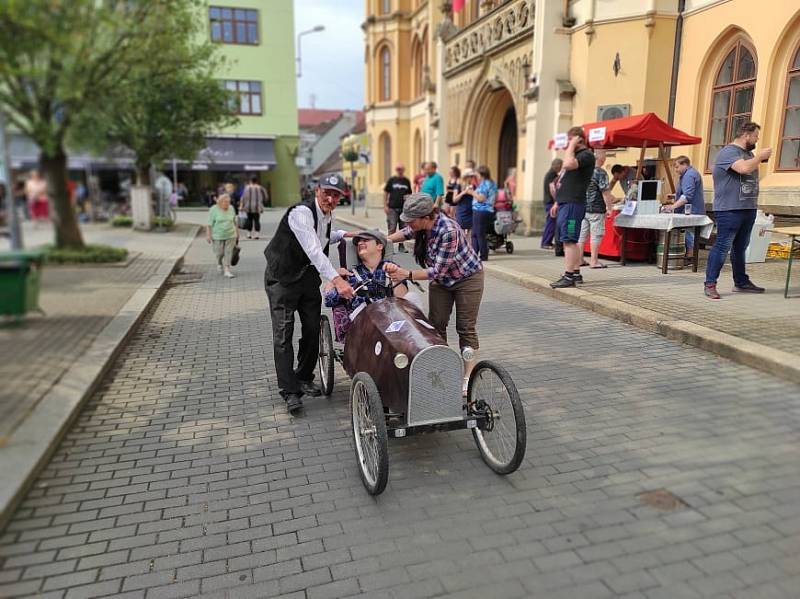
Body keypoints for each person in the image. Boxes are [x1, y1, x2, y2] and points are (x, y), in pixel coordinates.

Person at [264, 174, 355, 414]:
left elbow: (324, 235)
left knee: (313, 327)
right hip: (282, 278)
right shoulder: (301, 213)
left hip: (306, 278)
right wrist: (336, 279)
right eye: (327, 192)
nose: (330, 198)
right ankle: (290, 392)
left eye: (336, 195)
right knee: (283, 334)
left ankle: (304, 376)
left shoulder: (326, 215)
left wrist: (345, 235)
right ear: (317, 190)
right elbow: (314, 249)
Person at [385, 193, 484, 393]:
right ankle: (444, 368)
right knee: (436, 325)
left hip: (467, 279)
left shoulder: (448, 230)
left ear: (425, 217)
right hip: (442, 281)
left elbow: (436, 271)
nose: (409, 224)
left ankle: (467, 377)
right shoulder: (420, 227)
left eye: (411, 220)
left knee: (465, 328)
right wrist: (383, 240)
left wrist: (408, 274)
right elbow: (405, 233)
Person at [703, 122, 771, 300]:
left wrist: (756, 158)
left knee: (740, 247)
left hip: (747, 208)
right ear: (746, 135)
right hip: (730, 209)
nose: (757, 139)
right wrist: (760, 157)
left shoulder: (748, 154)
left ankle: (741, 282)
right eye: (755, 135)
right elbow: (744, 168)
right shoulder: (729, 152)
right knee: (722, 246)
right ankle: (710, 283)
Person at [324, 230, 408, 340]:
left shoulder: (392, 269)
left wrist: (396, 278)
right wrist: (334, 279)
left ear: (379, 246)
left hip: (390, 321)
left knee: (411, 302)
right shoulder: (349, 274)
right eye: (358, 241)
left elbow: (403, 303)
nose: (359, 243)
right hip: (360, 325)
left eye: (365, 240)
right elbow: (329, 300)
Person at [550, 126, 595, 288]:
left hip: (573, 204)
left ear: (579, 139)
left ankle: (569, 276)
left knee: (569, 240)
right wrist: (557, 202)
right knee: (569, 240)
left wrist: (570, 146)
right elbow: (564, 180)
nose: (567, 143)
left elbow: (568, 164)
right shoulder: (576, 155)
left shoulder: (586, 155)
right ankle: (575, 273)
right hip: (566, 203)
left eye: (570, 139)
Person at [578, 150, 616, 269]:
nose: (605, 157)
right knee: (596, 235)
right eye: (604, 155)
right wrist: (609, 208)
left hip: (583, 208)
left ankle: (579, 260)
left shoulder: (583, 171)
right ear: (599, 157)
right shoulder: (600, 172)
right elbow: (605, 192)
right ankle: (594, 261)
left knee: (581, 235)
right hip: (596, 209)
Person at [663, 155, 705, 260]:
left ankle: (690, 256)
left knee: (688, 232)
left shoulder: (689, 175)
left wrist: (672, 207)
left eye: (677, 167)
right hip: (691, 209)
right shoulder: (688, 174)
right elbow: (686, 192)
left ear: (685, 164)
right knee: (687, 232)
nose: (676, 170)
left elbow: (687, 196)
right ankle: (689, 255)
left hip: (691, 211)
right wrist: (674, 195)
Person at [206, 193, 239, 279]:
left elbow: (235, 221)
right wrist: (208, 235)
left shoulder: (231, 208)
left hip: (231, 235)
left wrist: (237, 233)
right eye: (225, 202)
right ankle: (219, 262)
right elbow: (209, 224)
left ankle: (227, 270)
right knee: (219, 253)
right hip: (217, 236)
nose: (227, 204)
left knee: (228, 252)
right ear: (220, 202)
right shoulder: (213, 210)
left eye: (228, 202)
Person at [383, 163, 412, 253]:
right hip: (392, 208)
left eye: (401, 169)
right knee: (392, 228)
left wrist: (408, 199)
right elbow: (386, 192)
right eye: (398, 169)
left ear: (403, 170)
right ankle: (389, 248)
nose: (400, 170)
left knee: (403, 228)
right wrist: (385, 205)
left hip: (403, 209)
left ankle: (401, 246)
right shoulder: (392, 180)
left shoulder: (406, 181)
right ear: (396, 170)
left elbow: (409, 193)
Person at [471, 165, 497, 261]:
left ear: (481, 174)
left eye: (477, 173)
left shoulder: (485, 184)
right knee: (475, 233)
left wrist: (471, 192)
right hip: (486, 210)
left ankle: (483, 256)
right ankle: (474, 254)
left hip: (481, 210)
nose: (476, 175)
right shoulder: (491, 183)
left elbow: (481, 198)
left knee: (479, 234)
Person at [541, 158, 562, 248]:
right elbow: (552, 190)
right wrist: (556, 201)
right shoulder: (552, 175)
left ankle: (547, 242)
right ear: (556, 165)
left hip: (548, 201)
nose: (560, 168)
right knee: (551, 223)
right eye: (560, 166)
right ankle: (545, 242)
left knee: (551, 222)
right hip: (550, 202)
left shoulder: (550, 174)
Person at [452, 169, 475, 243]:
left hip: (472, 212)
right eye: (470, 176)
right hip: (462, 212)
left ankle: (469, 250)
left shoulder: (474, 186)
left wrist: (472, 192)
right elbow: (454, 199)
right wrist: (464, 192)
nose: (471, 178)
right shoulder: (458, 186)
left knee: (471, 235)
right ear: (465, 177)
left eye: (472, 176)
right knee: (460, 233)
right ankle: (461, 249)